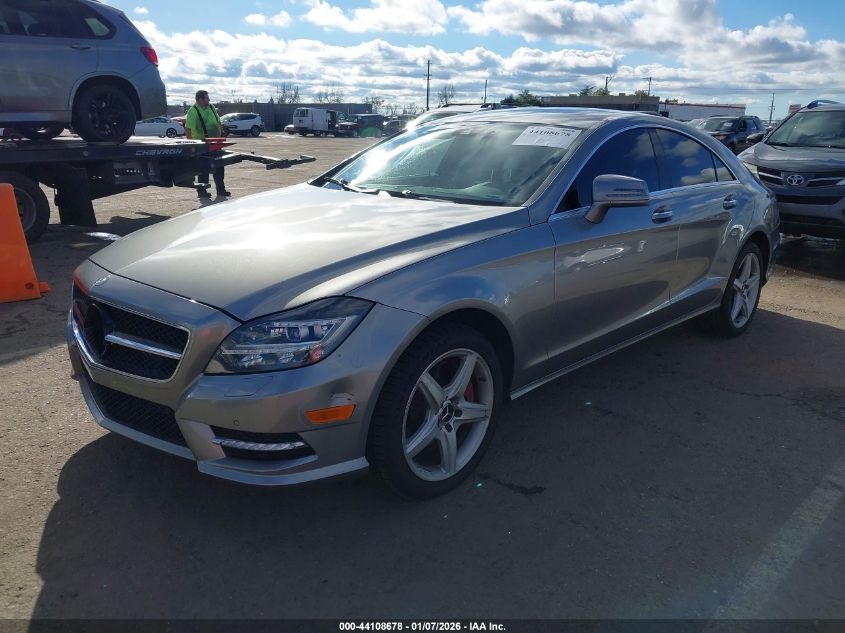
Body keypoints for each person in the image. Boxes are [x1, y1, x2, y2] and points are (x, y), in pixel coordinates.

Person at [185, 90, 230, 199]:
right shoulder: (193, 111)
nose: (209, 100)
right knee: (203, 169)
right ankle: (202, 191)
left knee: (219, 166)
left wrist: (221, 130)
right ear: (200, 99)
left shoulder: (211, 107)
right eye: (206, 98)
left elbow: (218, 121)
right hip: (202, 146)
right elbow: (188, 129)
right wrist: (192, 145)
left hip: (216, 143)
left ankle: (221, 190)